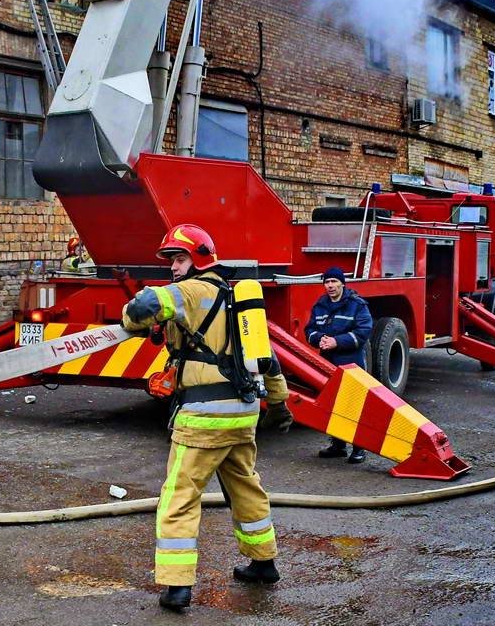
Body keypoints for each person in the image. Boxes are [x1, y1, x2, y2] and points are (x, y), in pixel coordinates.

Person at [121, 223, 292, 612]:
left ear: (198, 258)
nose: (174, 268)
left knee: (179, 498)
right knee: (246, 488)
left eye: (179, 259)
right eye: (171, 261)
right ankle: (264, 563)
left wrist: (129, 320)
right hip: (243, 414)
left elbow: (143, 308)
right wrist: (280, 402)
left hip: (202, 418)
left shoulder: (190, 291)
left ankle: (177, 586)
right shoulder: (237, 297)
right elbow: (267, 356)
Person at [304, 267, 373, 464]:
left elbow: (363, 331)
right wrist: (319, 339)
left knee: (353, 405)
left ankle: (359, 448)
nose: (330, 286)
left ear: (343, 283)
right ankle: (338, 445)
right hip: (327, 362)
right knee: (332, 404)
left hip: (351, 363)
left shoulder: (357, 305)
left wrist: (337, 341)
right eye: (327, 282)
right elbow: (309, 329)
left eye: (334, 281)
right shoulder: (320, 305)